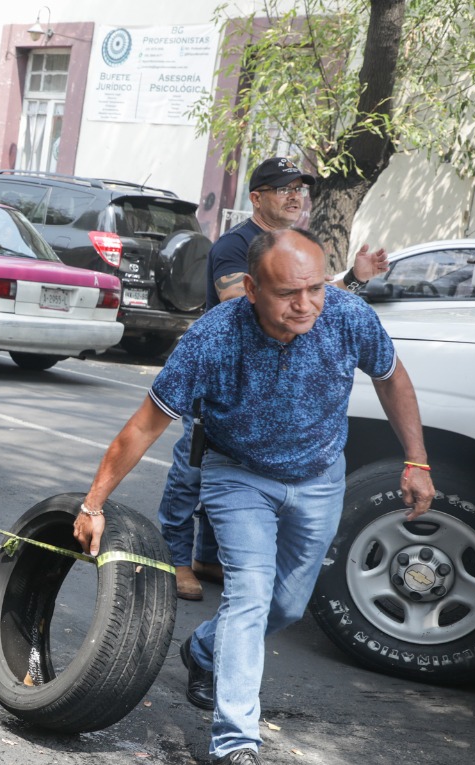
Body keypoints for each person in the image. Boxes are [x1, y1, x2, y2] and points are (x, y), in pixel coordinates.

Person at [74, 228, 433, 765]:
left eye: (315, 287)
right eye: (289, 292)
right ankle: (234, 747)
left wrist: (416, 459)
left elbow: (391, 376)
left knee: (287, 605)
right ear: (250, 288)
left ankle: (202, 651)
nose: (306, 304)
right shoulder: (212, 339)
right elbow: (144, 425)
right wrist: (92, 504)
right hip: (238, 475)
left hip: (319, 476)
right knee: (249, 595)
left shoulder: (344, 314)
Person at [164, 156, 389, 600]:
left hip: (266, 390)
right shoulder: (236, 245)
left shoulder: (296, 245)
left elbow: (314, 306)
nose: (295, 196)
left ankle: (208, 557)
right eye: (284, 188)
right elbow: (242, 304)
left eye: (300, 189)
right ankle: (175, 560)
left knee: (235, 472)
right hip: (221, 386)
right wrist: (339, 285)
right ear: (256, 198)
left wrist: (353, 281)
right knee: (193, 473)